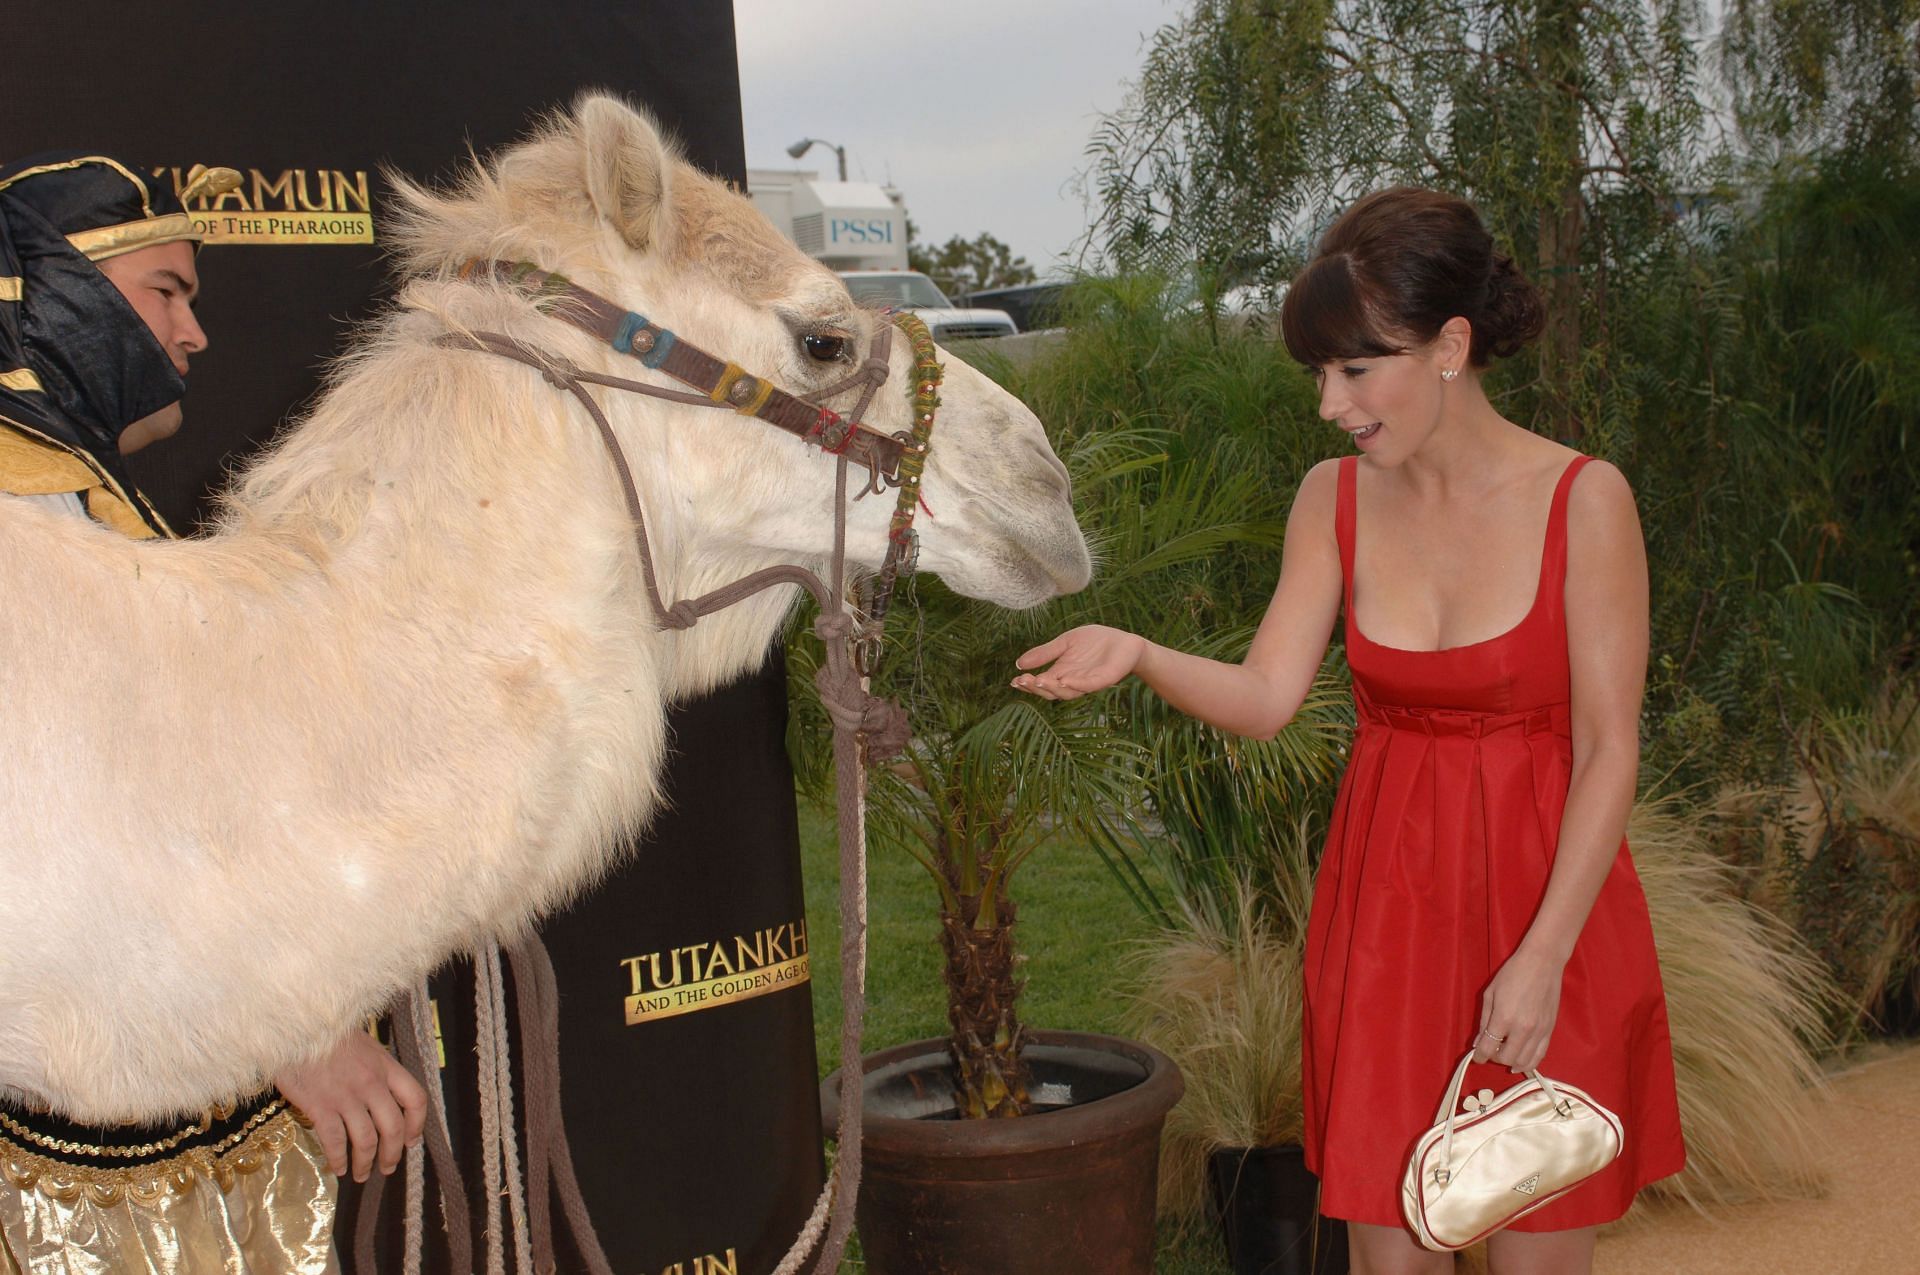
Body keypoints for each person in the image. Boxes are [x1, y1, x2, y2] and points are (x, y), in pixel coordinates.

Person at [1013, 187, 1685, 1274]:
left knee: (1535, 1252)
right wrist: (1137, 651)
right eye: (1320, 373)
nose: (1330, 403)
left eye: (1356, 369)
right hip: (1388, 926)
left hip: (1546, 916)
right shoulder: (1331, 499)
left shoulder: (1584, 500)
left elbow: (1610, 748)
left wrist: (1543, 960)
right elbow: (1269, 696)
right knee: (1389, 1257)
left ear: (1451, 347)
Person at [0, 151, 427, 1273]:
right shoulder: (27, 527)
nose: (192, 338)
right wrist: (284, 1020)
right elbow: (72, 852)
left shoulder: (67, 509)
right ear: (53, 296)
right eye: (167, 294)